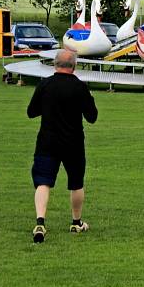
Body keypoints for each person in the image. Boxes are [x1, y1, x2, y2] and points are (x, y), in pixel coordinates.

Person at [27, 49, 98, 243]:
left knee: (43, 181)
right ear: (74, 66)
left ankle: (40, 222)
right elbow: (92, 117)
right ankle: (76, 222)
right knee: (76, 182)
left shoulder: (45, 85)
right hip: (73, 143)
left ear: (54, 64)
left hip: (47, 141)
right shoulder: (80, 87)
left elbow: (31, 112)